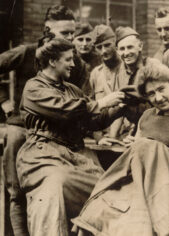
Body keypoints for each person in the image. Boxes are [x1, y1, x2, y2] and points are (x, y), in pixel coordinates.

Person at [72, 62, 169, 236]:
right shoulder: (146, 116)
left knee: (135, 224)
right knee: (98, 211)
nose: (158, 98)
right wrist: (136, 148)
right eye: (151, 94)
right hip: (139, 182)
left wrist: (163, 153)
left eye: (161, 89)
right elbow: (139, 157)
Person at [17, 36, 123, 236]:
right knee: (56, 184)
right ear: (52, 61)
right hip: (43, 157)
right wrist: (101, 102)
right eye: (68, 59)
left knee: (107, 188)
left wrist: (120, 107)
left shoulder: (72, 90)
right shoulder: (34, 87)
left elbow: (91, 121)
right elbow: (64, 110)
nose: (73, 64)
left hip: (75, 157)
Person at [0, 5, 87, 236]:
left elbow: (81, 104)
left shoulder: (75, 63)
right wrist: (4, 103)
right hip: (22, 126)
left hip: (59, 136)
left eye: (73, 33)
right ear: (48, 31)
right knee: (17, 191)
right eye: (65, 33)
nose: (72, 38)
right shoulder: (27, 52)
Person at [90, 24, 130, 145]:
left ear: (115, 44)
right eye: (99, 47)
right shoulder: (96, 74)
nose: (104, 51)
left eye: (107, 45)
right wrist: (99, 138)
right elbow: (91, 110)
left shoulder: (128, 69)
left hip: (126, 137)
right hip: (105, 141)